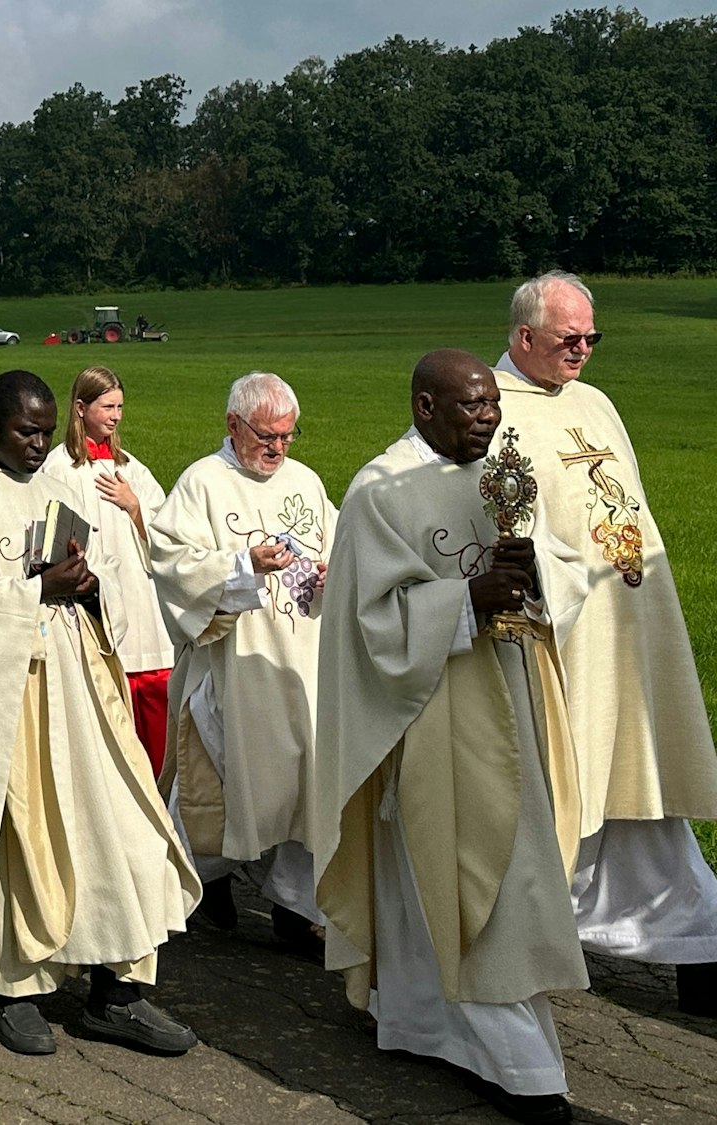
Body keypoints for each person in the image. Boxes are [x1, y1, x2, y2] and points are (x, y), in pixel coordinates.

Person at [310, 349, 589, 1125]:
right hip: (429, 713)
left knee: (494, 870)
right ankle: (516, 1063)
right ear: (425, 406)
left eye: (493, 403)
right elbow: (370, 623)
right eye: (470, 407)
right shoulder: (378, 493)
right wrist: (467, 596)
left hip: (506, 694)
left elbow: (560, 562)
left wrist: (535, 570)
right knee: (465, 874)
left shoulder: (498, 474)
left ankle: (418, 1021)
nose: (488, 418)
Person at [0, 370, 199, 1059]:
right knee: (22, 844)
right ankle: (15, 992)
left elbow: (87, 577)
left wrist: (87, 590)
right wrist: (35, 588)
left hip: (75, 685)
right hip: (6, 700)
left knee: (120, 827)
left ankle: (117, 995)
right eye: (25, 431)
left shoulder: (58, 486)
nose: (40, 444)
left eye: (44, 430)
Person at [488, 271, 717, 1015]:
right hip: (564, 635)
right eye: (569, 339)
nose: (584, 350)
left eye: (592, 337)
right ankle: (535, 938)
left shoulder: (595, 401)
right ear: (525, 337)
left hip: (629, 627)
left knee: (644, 790)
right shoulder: (491, 408)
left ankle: (695, 942)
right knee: (568, 789)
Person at [148, 371, 335, 953]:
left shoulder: (305, 482)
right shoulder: (202, 483)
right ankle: (186, 888)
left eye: (287, 436)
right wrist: (242, 566)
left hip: (300, 660)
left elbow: (337, 546)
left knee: (307, 786)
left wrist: (333, 574)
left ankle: (294, 905)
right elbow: (173, 563)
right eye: (266, 435)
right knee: (222, 781)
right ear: (233, 425)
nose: (278, 449)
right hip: (233, 664)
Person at [40, 365, 172, 775]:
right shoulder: (57, 468)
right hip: (90, 599)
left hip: (139, 597)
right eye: (107, 406)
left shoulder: (133, 468)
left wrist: (134, 507)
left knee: (152, 700)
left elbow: (169, 533)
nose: (116, 416)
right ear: (80, 408)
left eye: (120, 407)